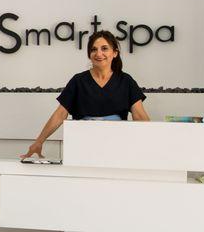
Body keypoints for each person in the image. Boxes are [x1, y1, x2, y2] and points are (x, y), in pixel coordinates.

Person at [21, 30, 150, 159]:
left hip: (116, 148)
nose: (98, 53)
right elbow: (60, 114)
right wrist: (39, 142)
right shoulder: (78, 81)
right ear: (89, 54)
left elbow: (140, 116)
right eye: (94, 49)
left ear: (115, 53)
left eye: (104, 48)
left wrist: (152, 143)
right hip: (81, 148)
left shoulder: (126, 81)